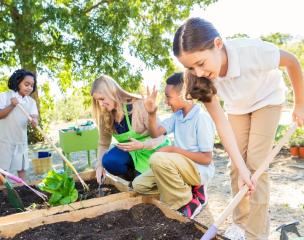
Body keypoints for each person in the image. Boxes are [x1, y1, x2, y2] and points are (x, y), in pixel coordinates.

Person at [173, 17, 304, 239]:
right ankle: (239, 226)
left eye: (201, 63)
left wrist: (300, 103)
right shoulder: (200, 79)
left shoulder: (252, 52)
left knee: (255, 167)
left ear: (217, 44)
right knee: (238, 167)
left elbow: (291, 61)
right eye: (190, 67)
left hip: (267, 100)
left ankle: (256, 233)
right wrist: (240, 166)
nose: (198, 72)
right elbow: (221, 124)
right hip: (238, 108)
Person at [133, 72, 215, 219]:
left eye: (168, 96)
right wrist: (151, 113)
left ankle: (188, 202)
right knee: (139, 185)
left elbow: (207, 159)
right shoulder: (177, 116)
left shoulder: (201, 117)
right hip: (180, 168)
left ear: (184, 94)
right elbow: (155, 133)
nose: (166, 101)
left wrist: (173, 150)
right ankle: (186, 191)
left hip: (198, 169)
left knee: (158, 159)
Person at [91, 74, 170, 184]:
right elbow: (103, 144)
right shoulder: (105, 116)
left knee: (147, 185)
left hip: (153, 150)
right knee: (109, 160)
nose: (100, 104)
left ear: (111, 92)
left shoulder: (139, 105)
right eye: (97, 101)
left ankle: (149, 176)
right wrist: (99, 166)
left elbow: (161, 137)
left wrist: (142, 145)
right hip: (132, 153)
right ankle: (134, 178)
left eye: (102, 99)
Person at [0, 69, 38, 180]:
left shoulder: (31, 102)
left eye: (32, 85)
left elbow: (34, 116)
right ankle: (4, 194)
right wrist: (12, 105)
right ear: (17, 82)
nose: (30, 87)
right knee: (3, 170)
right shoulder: (4, 96)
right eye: (26, 84)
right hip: (4, 140)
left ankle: (22, 189)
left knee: (21, 168)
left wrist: (34, 121)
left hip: (20, 140)